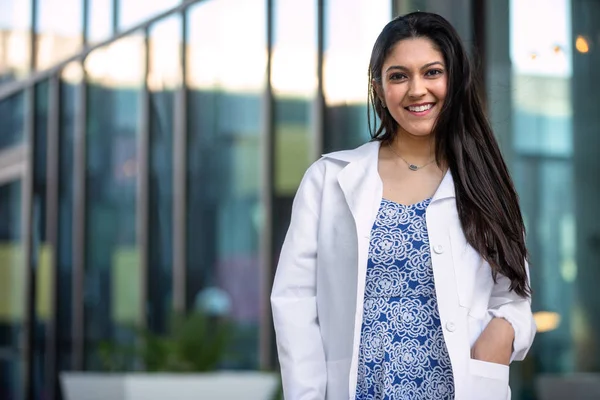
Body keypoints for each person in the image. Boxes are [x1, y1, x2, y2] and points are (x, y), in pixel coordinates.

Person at [270, 11, 535, 400]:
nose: (416, 90)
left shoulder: (483, 181)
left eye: (432, 72)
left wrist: (503, 333)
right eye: (398, 76)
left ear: (454, 80)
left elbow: (514, 293)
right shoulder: (328, 180)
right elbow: (294, 302)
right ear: (378, 88)